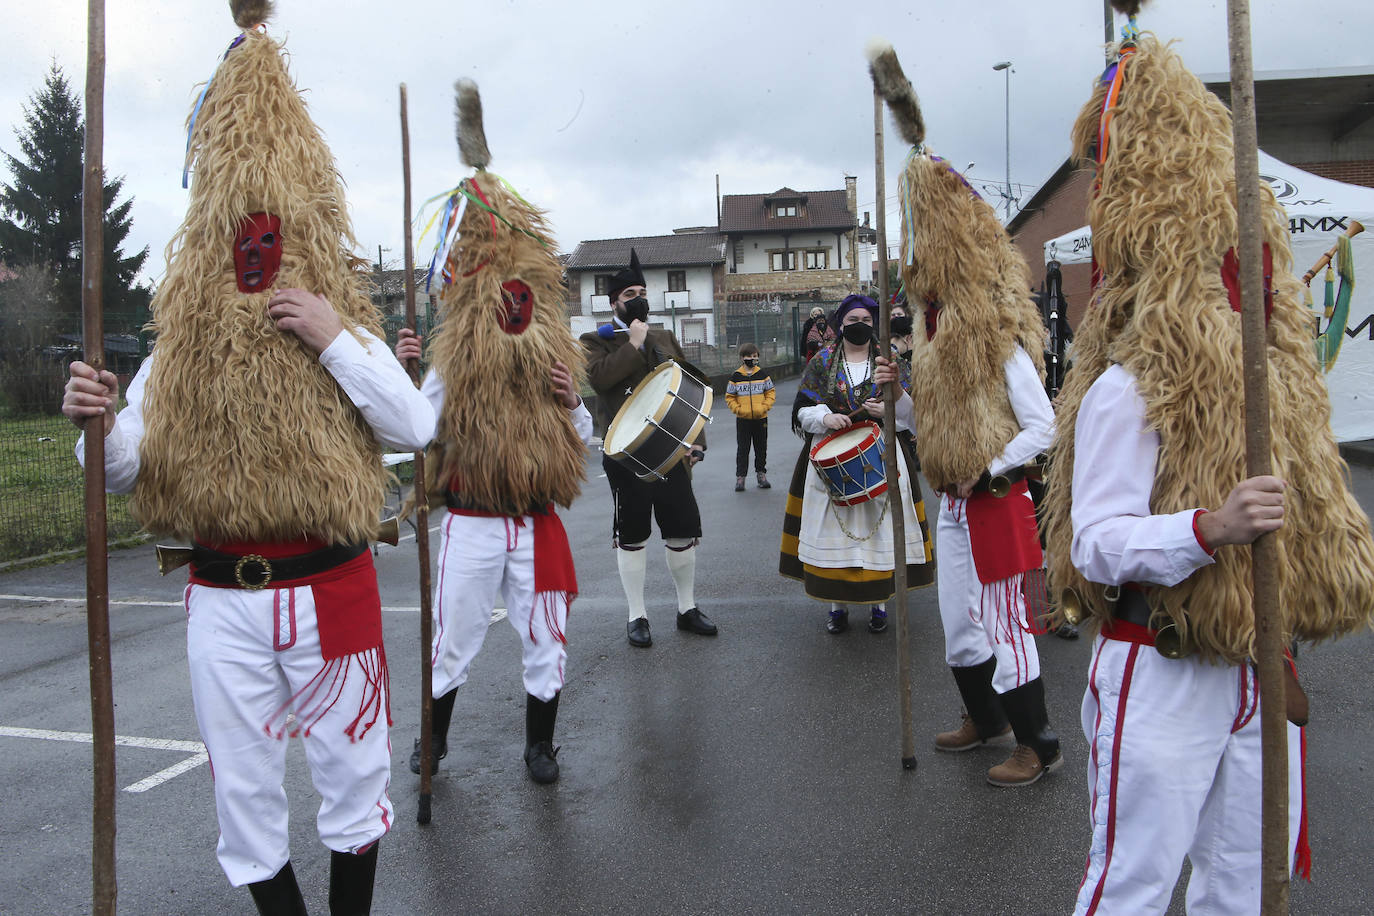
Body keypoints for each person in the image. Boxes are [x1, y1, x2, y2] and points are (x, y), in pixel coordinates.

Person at [61, 6, 434, 911]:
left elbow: (413, 429)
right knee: (245, 804)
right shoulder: (175, 350)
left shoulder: (346, 325)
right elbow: (120, 472)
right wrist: (96, 424)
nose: (255, 247)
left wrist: (335, 335)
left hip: (333, 588)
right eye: (241, 233)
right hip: (222, 604)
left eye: (271, 232)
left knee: (355, 781)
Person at [1041, 27, 1374, 913]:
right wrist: (1210, 529)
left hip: (1260, 670)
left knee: (1242, 887)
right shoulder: (1126, 389)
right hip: (1163, 669)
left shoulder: (1280, 387)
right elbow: (1097, 545)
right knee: (1132, 889)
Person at [872, 41, 1061, 786]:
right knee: (959, 629)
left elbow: (1044, 425)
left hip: (995, 498)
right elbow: (931, 425)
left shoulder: (999, 336)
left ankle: (1037, 742)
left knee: (1007, 626)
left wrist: (995, 464)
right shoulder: (929, 333)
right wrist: (902, 397)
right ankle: (984, 719)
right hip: (949, 501)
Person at [400, 80, 592, 786]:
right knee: (453, 643)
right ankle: (436, 743)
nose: (515, 304)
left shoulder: (555, 352)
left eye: (523, 294)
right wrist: (405, 374)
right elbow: (416, 427)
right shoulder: (454, 358)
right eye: (502, 294)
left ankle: (541, 746)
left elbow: (585, 439)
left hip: (537, 526)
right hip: (475, 524)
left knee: (547, 641)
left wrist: (574, 404)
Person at [580, 249, 718, 648]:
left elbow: (688, 387)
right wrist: (634, 344)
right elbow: (600, 380)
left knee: (682, 530)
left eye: (642, 291)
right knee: (633, 533)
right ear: (614, 303)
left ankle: (686, 608)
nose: (638, 299)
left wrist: (696, 441)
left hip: (673, 453)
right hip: (625, 457)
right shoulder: (593, 341)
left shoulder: (664, 336)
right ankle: (636, 615)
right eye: (629, 295)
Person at [779, 294, 934, 634]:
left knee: (880, 534)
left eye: (865, 319)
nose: (859, 325)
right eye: (851, 320)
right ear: (840, 324)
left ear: (874, 323)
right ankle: (838, 608)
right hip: (830, 458)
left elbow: (916, 414)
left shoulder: (890, 361)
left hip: (882, 454)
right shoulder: (821, 362)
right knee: (837, 538)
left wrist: (889, 409)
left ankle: (879, 605)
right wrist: (825, 416)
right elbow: (802, 410)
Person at [725, 341, 776, 492]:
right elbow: (729, 397)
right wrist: (738, 410)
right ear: (742, 358)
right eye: (748, 356)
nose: (752, 359)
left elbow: (770, 392)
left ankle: (761, 475)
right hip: (743, 420)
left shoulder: (763, 375)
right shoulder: (736, 376)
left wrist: (764, 407)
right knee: (743, 449)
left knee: (761, 447)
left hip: (761, 419)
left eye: (754, 356)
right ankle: (741, 478)